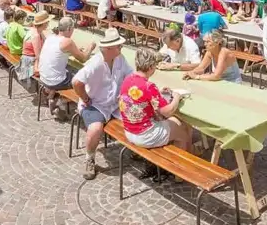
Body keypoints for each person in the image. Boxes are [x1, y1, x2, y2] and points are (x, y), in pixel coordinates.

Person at [72, 29, 134, 180]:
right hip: (96, 104)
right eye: (119, 46)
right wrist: (85, 99)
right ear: (109, 48)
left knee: (136, 117)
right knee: (95, 128)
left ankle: (137, 150)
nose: (121, 48)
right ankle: (89, 158)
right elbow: (76, 82)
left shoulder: (120, 58)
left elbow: (131, 75)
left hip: (114, 103)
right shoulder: (96, 63)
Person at [119, 49, 192, 153]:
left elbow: (141, 98)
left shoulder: (128, 79)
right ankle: (179, 165)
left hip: (130, 131)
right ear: (151, 67)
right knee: (183, 133)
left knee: (175, 124)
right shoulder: (149, 86)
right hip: (145, 135)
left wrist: (159, 92)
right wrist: (177, 97)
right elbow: (167, 111)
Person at [38, 17, 96, 120]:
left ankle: (53, 96)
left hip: (43, 77)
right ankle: (61, 101)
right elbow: (83, 59)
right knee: (82, 80)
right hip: (55, 81)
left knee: (68, 70)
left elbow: (58, 54)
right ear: (69, 29)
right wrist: (90, 47)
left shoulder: (50, 37)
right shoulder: (67, 42)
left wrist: (75, 50)